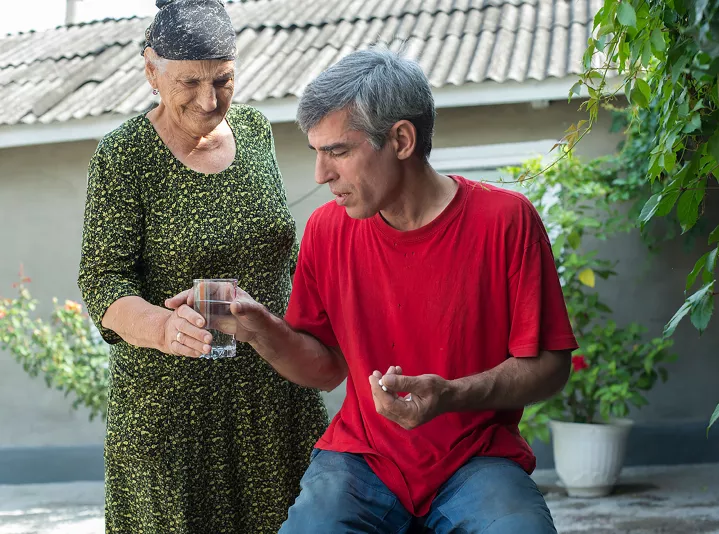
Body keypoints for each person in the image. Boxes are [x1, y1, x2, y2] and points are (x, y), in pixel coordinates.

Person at [173, 45, 577, 532]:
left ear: (401, 139)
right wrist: (260, 330)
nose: (321, 174)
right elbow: (324, 371)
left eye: (338, 151)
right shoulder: (327, 230)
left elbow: (551, 368)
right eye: (317, 153)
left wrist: (449, 395)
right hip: (360, 460)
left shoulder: (506, 220)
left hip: (477, 459)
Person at [77, 1, 328, 532]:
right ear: (152, 70)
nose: (209, 99)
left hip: (274, 401)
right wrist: (162, 326)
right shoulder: (125, 156)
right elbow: (103, 281)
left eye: (223, 80)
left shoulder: (256, 131)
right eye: (190, 82)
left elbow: (284, 249)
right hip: (174, 421)